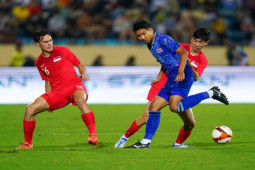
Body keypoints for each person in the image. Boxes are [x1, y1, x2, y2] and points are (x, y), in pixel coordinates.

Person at [123, 20, 228, 149]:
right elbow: (165, 60)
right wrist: (160, 76)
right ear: (191, 39)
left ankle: (211, 93)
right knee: (154, 108)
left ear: (206, 43)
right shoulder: (164, 45)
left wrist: (183, 70)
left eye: (201, 42)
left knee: (176, 109)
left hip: (183, 79)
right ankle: (146, 142)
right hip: (171, 79)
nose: (197, 44)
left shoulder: (201, 59)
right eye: (195, 40)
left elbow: (194, 74)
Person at [16, 30, 98, 149]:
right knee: (29, 109)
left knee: (80, 100)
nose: (50, 44)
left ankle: (93, 135)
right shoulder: (39, 62)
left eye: (50, 40)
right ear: (38, 44)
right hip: (58, 92)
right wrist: (49, 99)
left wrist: (83, 74)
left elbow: (79, 65)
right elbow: (47, 81)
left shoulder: (63, 50)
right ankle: (28, 144)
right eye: (45, 42)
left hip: (75, 86)